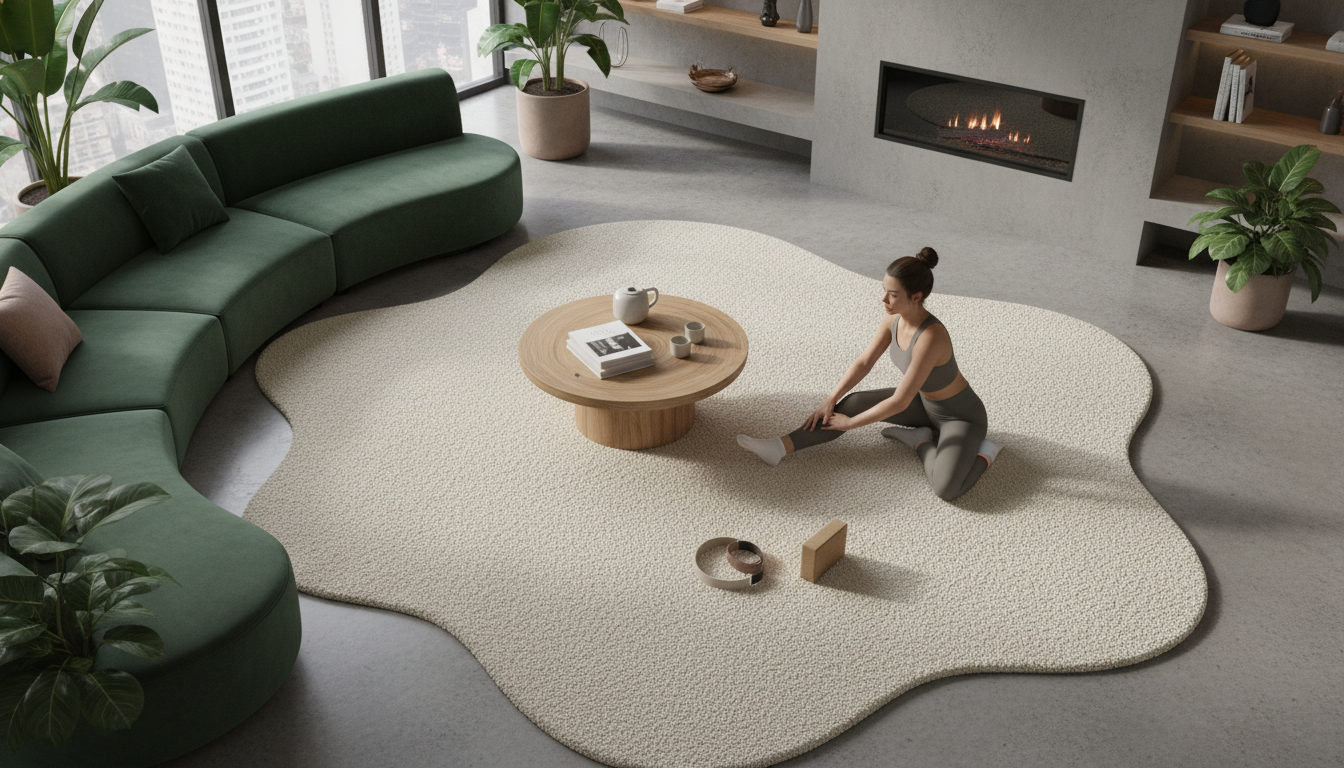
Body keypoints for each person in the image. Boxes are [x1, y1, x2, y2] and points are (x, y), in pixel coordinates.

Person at [736, 247, 1001, 501]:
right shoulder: (892, 318)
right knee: (853, 403)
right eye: (884, 291)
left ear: (916, 296)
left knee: (946, 489)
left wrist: (851, 424)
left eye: (893, 295)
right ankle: (779, 447)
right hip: (923, 404)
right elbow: (864, 362)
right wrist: (831, 397)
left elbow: (899, 401)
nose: (884, 300)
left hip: (960, 417)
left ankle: (943, 445)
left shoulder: (931, 337)